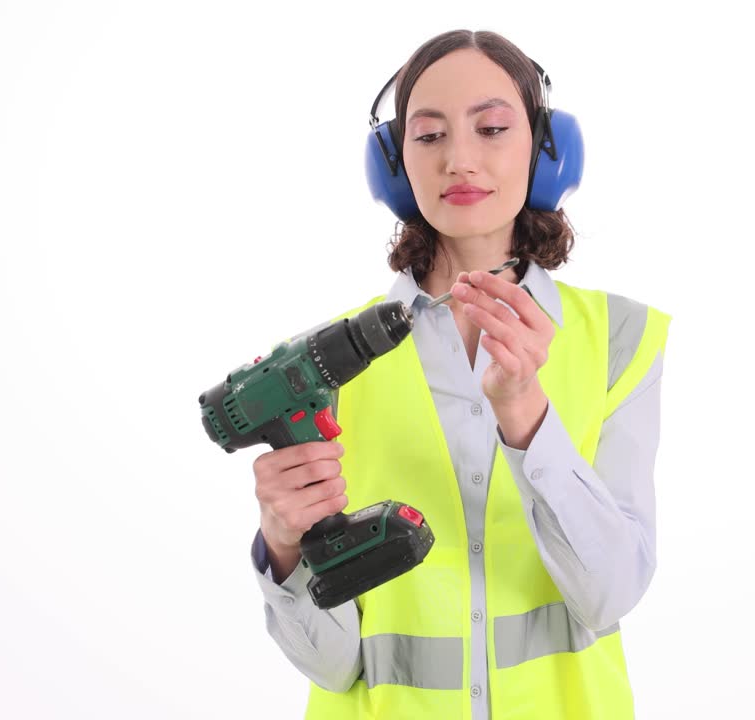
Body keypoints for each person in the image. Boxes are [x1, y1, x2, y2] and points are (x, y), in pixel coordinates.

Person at [249, 29, 670, 720]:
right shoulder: (324, 367)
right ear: (394, 165)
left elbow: (611, 594)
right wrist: (284, 549)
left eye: (493, 127)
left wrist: (528, 415)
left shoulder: (622, 340)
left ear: (544, 149)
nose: (460, 160)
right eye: (429, 135)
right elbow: (331, 664)